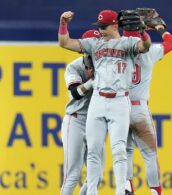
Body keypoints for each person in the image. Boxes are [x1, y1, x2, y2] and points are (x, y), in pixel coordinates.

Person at [58, 10, 151, 195]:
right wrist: (63, 24)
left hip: (119, 100)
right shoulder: (91, 48)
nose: (100, 30)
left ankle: (120, 190)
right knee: (87, 158)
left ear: (115, 26)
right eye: (98, 27)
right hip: (89, 108)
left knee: (119, 149)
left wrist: (143, 31)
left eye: (103, 27)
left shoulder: (127, 43)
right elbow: (64, 42)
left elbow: (145, 46)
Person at [123, 25, 172, 195]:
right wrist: (160, 28)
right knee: (149, 155)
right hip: (139, 109)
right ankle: (155, 191)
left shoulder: (116, 52)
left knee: (125, 152)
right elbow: (171, 43)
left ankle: (127, 187)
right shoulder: (150, 51)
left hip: (120, 107)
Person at [60, 30, 105, 195]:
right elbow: (75, 93)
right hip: (76, 120)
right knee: (72, 175)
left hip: (96, 122)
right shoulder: (75, 66)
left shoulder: (107, 65)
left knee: (97, 176)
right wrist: (91, 83)